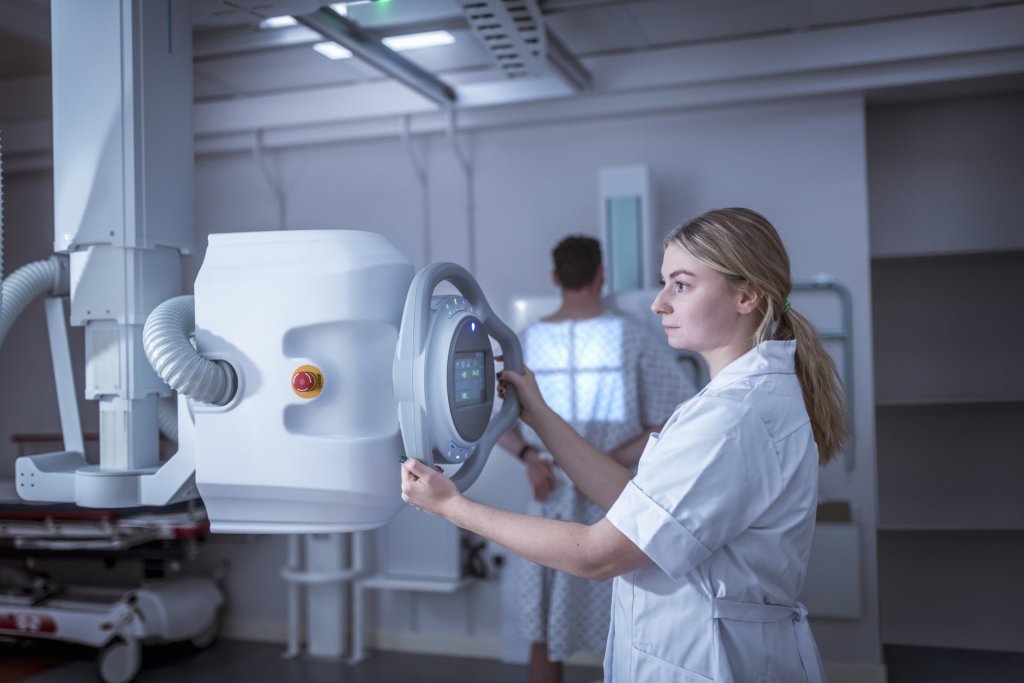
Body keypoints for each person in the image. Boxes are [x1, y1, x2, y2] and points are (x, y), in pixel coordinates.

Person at [401, 207, 849, 682]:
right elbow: (637, 499)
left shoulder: (731, 417)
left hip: (712, 660)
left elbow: (599, 554)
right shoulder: (741, 399)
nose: (659, 303)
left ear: (747, 295)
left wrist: (453, 507)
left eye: (681, 285)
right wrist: (540, 416)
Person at [496, 235, 692, 683]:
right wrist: (599, 461)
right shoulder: (631, 338)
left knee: (544, 633)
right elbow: (673, 420)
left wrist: (532, 457)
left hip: (550, 505)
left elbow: (491, 423)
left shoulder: (525, 343)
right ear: (602, 274)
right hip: (618, 504)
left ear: (554, 278)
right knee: (635, 628)